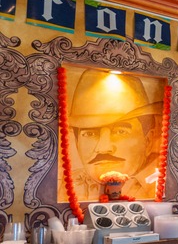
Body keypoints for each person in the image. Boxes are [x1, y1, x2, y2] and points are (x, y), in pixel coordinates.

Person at [61, 69, 163, 201]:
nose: (103, 148)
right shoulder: (66, 184)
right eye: (90, 133)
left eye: (120, 131)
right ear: (76, 142)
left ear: (148, 140)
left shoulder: (155, 184)